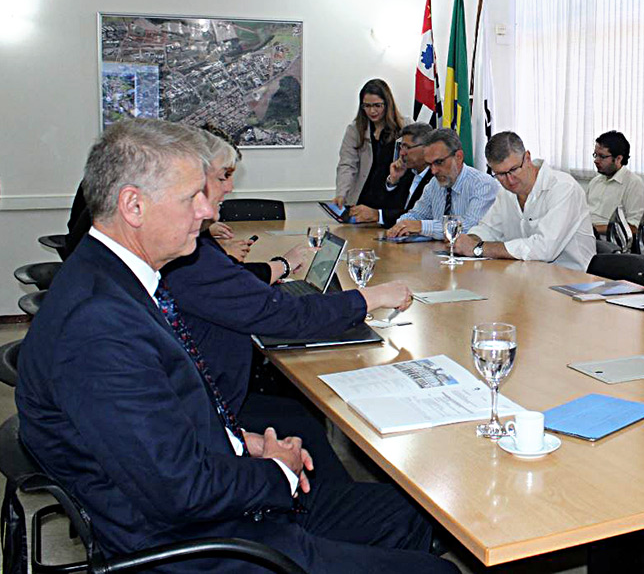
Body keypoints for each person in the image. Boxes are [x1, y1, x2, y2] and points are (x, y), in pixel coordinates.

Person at [15, 118, 455, 574]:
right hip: (204, 548)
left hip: (217, 499)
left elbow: (156, 430)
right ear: (134, 206)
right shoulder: (98, 326)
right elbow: (179, 492)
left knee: (410, 514)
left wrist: (242, 443)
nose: (208, 211)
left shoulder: (110, 280)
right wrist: (277, 471)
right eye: (193, 198)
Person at [163, 128, 412, 436]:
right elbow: (286, 315)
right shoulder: (189, 255)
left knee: (303, 412)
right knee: (305, 419)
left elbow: (241, 288)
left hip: (209, 397)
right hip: (213, 412)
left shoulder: (190, 247)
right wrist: (370, 298)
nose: (228, 188)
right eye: (221, 177)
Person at [453, 131, 596, 271]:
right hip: (526, 274)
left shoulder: (563, 188)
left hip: (570, 281)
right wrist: (469, 240)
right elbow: (489, 229)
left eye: (514, 169)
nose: (509, 179)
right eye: (501, 174)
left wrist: (479, 248)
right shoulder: (506, 192)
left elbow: (544, 248)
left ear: (527, 158)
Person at [386, 129, 498, 240]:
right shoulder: (434, 184)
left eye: (439, 162)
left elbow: (468, 229)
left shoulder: (483, 185)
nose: (433, 171)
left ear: (458, 157)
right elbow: (416, 215)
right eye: (429, 164)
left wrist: (420, 226)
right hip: (437, 253)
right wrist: (402, 224)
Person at [332, 78, 408, 208]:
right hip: (363, 198)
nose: (372, 111)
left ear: (387, 104)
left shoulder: (404, 126)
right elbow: (347, 164)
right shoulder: (355, 130)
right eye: (367, 106)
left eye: (377, 105)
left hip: (394, 199)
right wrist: (341, 193)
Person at [349, 122, 435, 227]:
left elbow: (417, 216)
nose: (402, 153)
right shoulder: (407, 172)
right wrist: (393, 181)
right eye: (401, 146)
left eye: (407, 147)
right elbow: (381, 206)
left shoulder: (435, 177)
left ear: (426, 148)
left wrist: (378, 215)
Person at [587, 130, 644, 237]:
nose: (596, 160)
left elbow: (633, 228)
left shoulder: (633, 184)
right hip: (588, 237)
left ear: (618, 159)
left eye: (602, 156)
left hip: (609, 244)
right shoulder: (595, 182)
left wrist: (593, 229)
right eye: (595, 155)